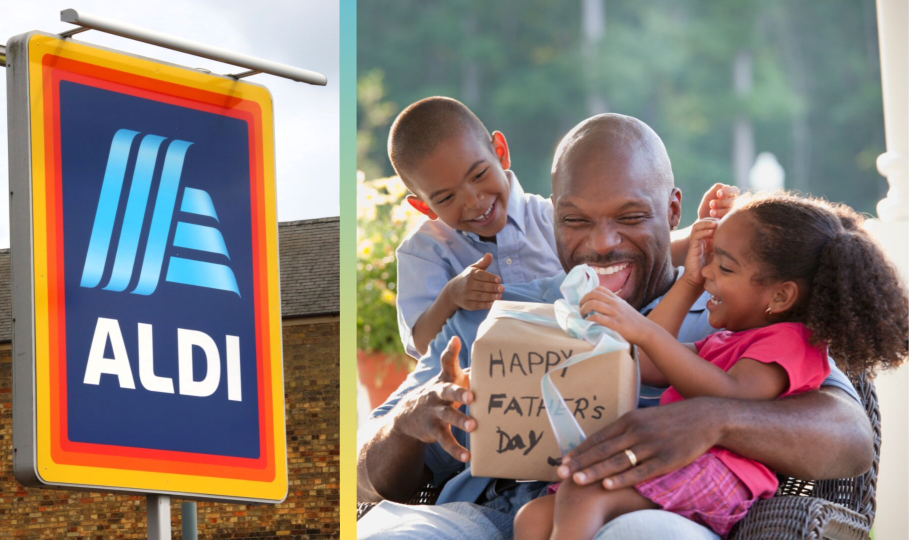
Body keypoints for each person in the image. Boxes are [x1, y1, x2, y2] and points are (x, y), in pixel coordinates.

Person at [357, 113, 874, 540]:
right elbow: (364, 477)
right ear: (552, 218)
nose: (602, 243)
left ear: (673, 211)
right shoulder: (499, 312)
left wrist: (714, 419)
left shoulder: (734, 317)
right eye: (576, 220)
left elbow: (850, 439)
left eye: (629, 217)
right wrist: (407, 421)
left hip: (647, 512)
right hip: (485, 517)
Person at [513, 193, 909, 539]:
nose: (708, 274)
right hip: (687, 465)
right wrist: (688, 284)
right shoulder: (727, 341)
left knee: (583, 492)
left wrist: (645, 332)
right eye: (711, 261)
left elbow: (731, 396)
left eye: (726, 267)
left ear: (781, 295)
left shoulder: (791, 343)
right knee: (534, 517)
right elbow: (650, 363)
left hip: (721, 474)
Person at [389, 96, 737, 357]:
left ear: (501, 151)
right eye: (447, 197)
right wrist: (451, 297)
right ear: (424, 206)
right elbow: (422, 346)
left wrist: (705, 231)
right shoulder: (427, 252)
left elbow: (640, 252)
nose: (473, 201)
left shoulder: (547, 217)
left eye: (479, 175)